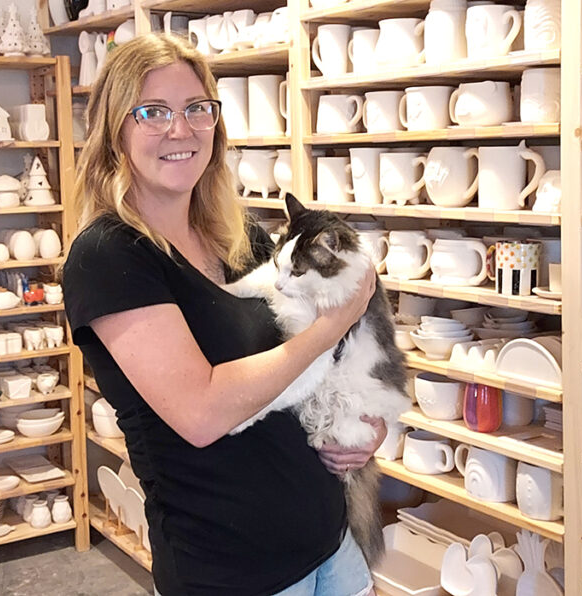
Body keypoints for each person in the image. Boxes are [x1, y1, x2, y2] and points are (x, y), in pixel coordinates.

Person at [63, 33, 387, 596]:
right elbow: (203, 410)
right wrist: (333, 326)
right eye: (153, 112)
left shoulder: (242, 240)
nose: (180, 129)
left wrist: (365, 424)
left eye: (197, 109)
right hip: (233, 573)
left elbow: (334, 357)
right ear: (116, 130)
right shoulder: (108, 256)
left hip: (331, 546)